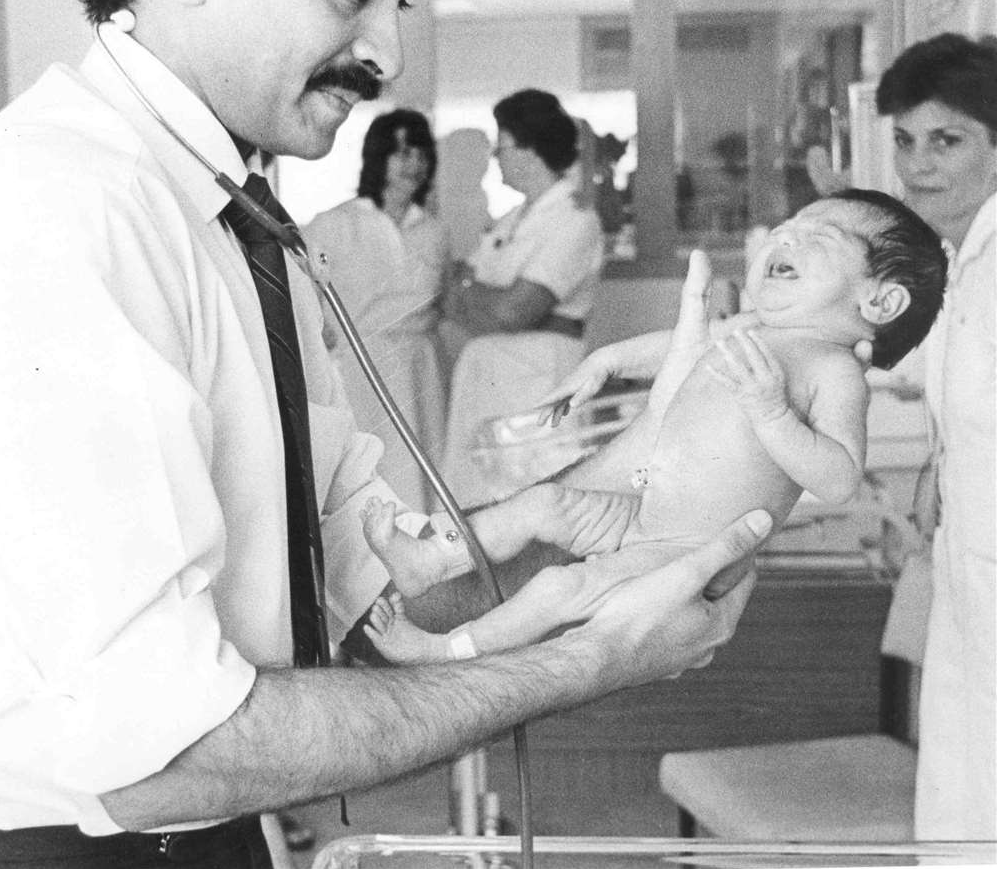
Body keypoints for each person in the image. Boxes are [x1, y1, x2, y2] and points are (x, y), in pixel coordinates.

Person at [0, 0, 771, 869]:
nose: (387, 50)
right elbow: (153, 752)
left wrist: (636, 480)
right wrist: (585, 662)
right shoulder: (63, 206)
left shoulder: (236, 215)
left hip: (227, 822)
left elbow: (373, 599)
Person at [362, 190, 947, 663]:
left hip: (681, 544)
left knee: (558, 590)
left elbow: (840, 479)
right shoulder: (750, 328)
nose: (787, 235)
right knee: (542, 504)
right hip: (639, 509)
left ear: (880, 302)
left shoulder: (833, 370)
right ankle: (432, 561)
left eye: (820, 236)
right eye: (790, 224)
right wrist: (607, 361)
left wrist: (772, 412)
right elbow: (673, 350)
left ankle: (445, 650)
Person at [875, 32, 996, 841]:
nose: (919, 165)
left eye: (946, 140)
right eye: (906, 141)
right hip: (968, 564)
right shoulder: (963, 261)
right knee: (968, 795)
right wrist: (934, 471)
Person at [441, 88, 604, 504]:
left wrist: (471, 291)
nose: (496, 156)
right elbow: (453, 297)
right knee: (475, 502)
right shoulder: (511, 220)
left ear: (530, 151)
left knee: (534, 500)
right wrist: (478, 295)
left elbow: (517, 311)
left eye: (504, 145)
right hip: (488, 374)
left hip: (540, 375)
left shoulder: (575, 219)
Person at [303, 108, 448, 512]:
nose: (413, 164)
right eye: (402, 152)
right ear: (378, 157)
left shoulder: (434, 230)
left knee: (424, 474)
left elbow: (442, 300)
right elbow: (305, 294)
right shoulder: (336, 223)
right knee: (370, 473)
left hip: (420, 365)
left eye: (421, 154)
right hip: (359, 366)